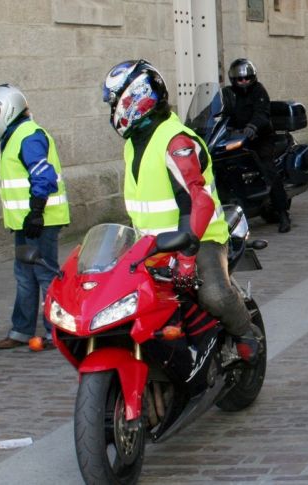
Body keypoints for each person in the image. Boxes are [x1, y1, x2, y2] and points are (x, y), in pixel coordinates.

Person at [102, 59, 259, 362]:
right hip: (150, 244)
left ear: (135, 98)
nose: (112, 110)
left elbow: (198, 201)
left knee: (213, 293)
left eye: (114, 102)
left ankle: (245, 332)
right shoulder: (135, 142)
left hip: (200, 239)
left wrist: (188, 254)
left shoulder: (176, 140)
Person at [0, 84, 70, 350]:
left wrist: (37, 212)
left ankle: (57, 332)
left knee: (44, 274)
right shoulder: (16, 135)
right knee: (24, 275)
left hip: (42, 220)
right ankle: (21, 330)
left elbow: (43, 174)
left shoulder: (29, 135)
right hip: (27, 221)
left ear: (6, 109)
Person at [222, 58, 291, 233]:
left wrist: (253, 126)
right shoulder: (228, 93)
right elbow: (219, 110)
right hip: (236, 138)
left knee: (268, 170)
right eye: (239, 79)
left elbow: (262, 112)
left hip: (260, 138)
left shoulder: (258, 90)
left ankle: (283, 214)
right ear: (233, 80)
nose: (243, 82)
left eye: (247, 78)